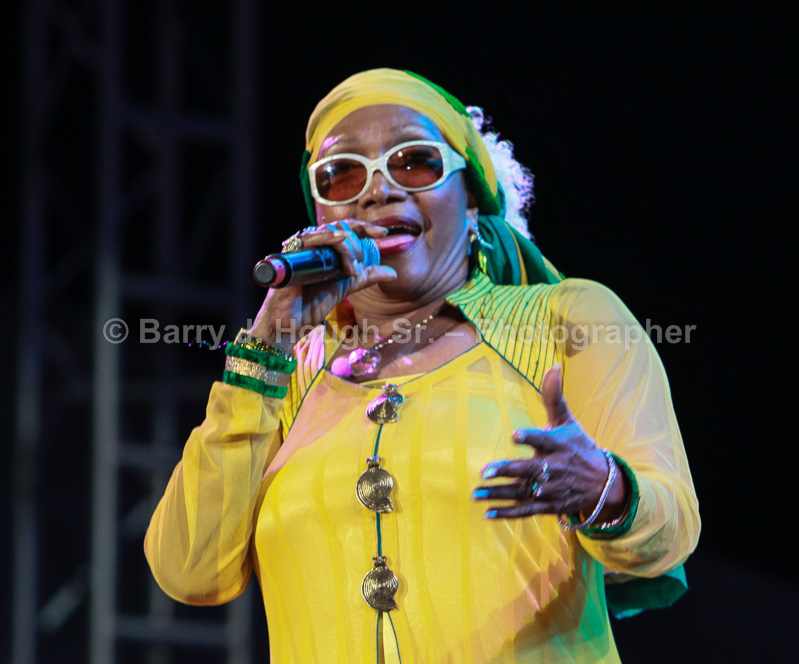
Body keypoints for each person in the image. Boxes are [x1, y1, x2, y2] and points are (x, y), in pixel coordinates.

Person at [145, 68, 700, 663]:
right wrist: (267, 347)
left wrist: (605, 490)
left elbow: (671, 532)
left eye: (414, 162)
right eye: (342, 174)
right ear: (320, 214)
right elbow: (189, 569)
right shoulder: (286, 375)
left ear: (472, 200)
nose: (377, 190)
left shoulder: (566, 320)